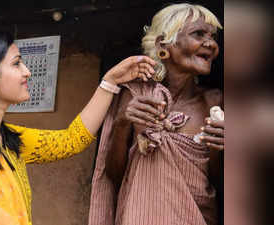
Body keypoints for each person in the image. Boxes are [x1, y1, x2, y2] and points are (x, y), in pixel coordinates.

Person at [0, 31, 156, 225]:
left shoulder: (6, 138)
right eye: (16, 63)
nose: (27, 71)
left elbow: (70, 140)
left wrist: (110, 82)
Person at [88, 3, 224, 225]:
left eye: (213, 36)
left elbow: (220, 183)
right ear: (164, 44)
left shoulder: (215, 102)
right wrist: (122, 122)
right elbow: (113, 176)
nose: (211, 44)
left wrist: (222, 149)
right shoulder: (134, 94)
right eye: (199, 34)